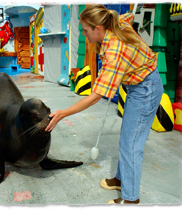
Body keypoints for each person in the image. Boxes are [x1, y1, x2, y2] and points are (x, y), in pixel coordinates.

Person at [45, 4, 163, 205]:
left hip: (146, 89)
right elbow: (129, 16)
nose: (84, 35)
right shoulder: (114, 22)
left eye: (85, 30)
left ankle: (131, 199)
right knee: (127, 138)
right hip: (137, 87)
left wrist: (63, 113)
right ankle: (121, 179)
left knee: (131, 144)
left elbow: (95, 96)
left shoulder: (115, 51)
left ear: (97, 29)